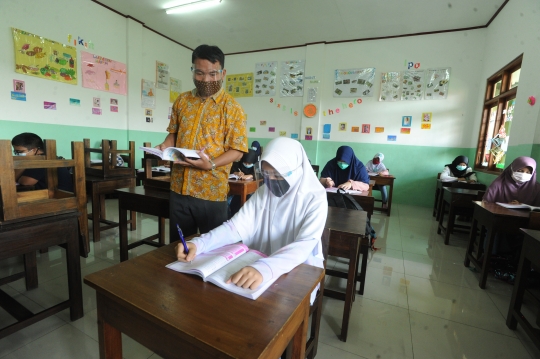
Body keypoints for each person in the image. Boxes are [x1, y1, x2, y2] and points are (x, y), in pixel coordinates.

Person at [175, 137, 327, 302]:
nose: (272, 181)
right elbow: (235, 227)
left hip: (296, 268)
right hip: (256, 263)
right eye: (267, 174)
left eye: (277, 174)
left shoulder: (315, 198)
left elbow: (303, 245)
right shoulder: (264, 192)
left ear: (297, 169)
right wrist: (200, 244)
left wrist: (266, 268)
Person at [157, 44, 248, 239]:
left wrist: (211, 164)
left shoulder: (232, 108)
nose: (206, 79)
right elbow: (173, 132)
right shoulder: (182, 101)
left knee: (213, 249)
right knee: (179, 246)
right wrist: (165, 145)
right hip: (179, 188)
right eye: (199, 73)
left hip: (211, 193)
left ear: (223, 73)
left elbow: (238, 150)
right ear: (192, 71)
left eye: (213, 74)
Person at [482, 156, 540, 281]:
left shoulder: (536, 188)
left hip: (525, 223)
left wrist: (524, 206)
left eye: (527, 172)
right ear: (512, 169)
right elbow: (485, 204)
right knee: (496, 231)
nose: (523, 174)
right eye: (520, 171)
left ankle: (517, 266)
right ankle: (492, 261)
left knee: (526, 236)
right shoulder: (499, 183)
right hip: (500, 221)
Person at [228, 149, 258, 217]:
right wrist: (236, 173)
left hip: (250, 192)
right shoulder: (237, 164)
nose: (247, 165)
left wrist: (251, 175)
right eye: (245, 162)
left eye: (249, 163)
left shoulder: (257, 166)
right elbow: (231, 171)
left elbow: (260, 174)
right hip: (236, 191)